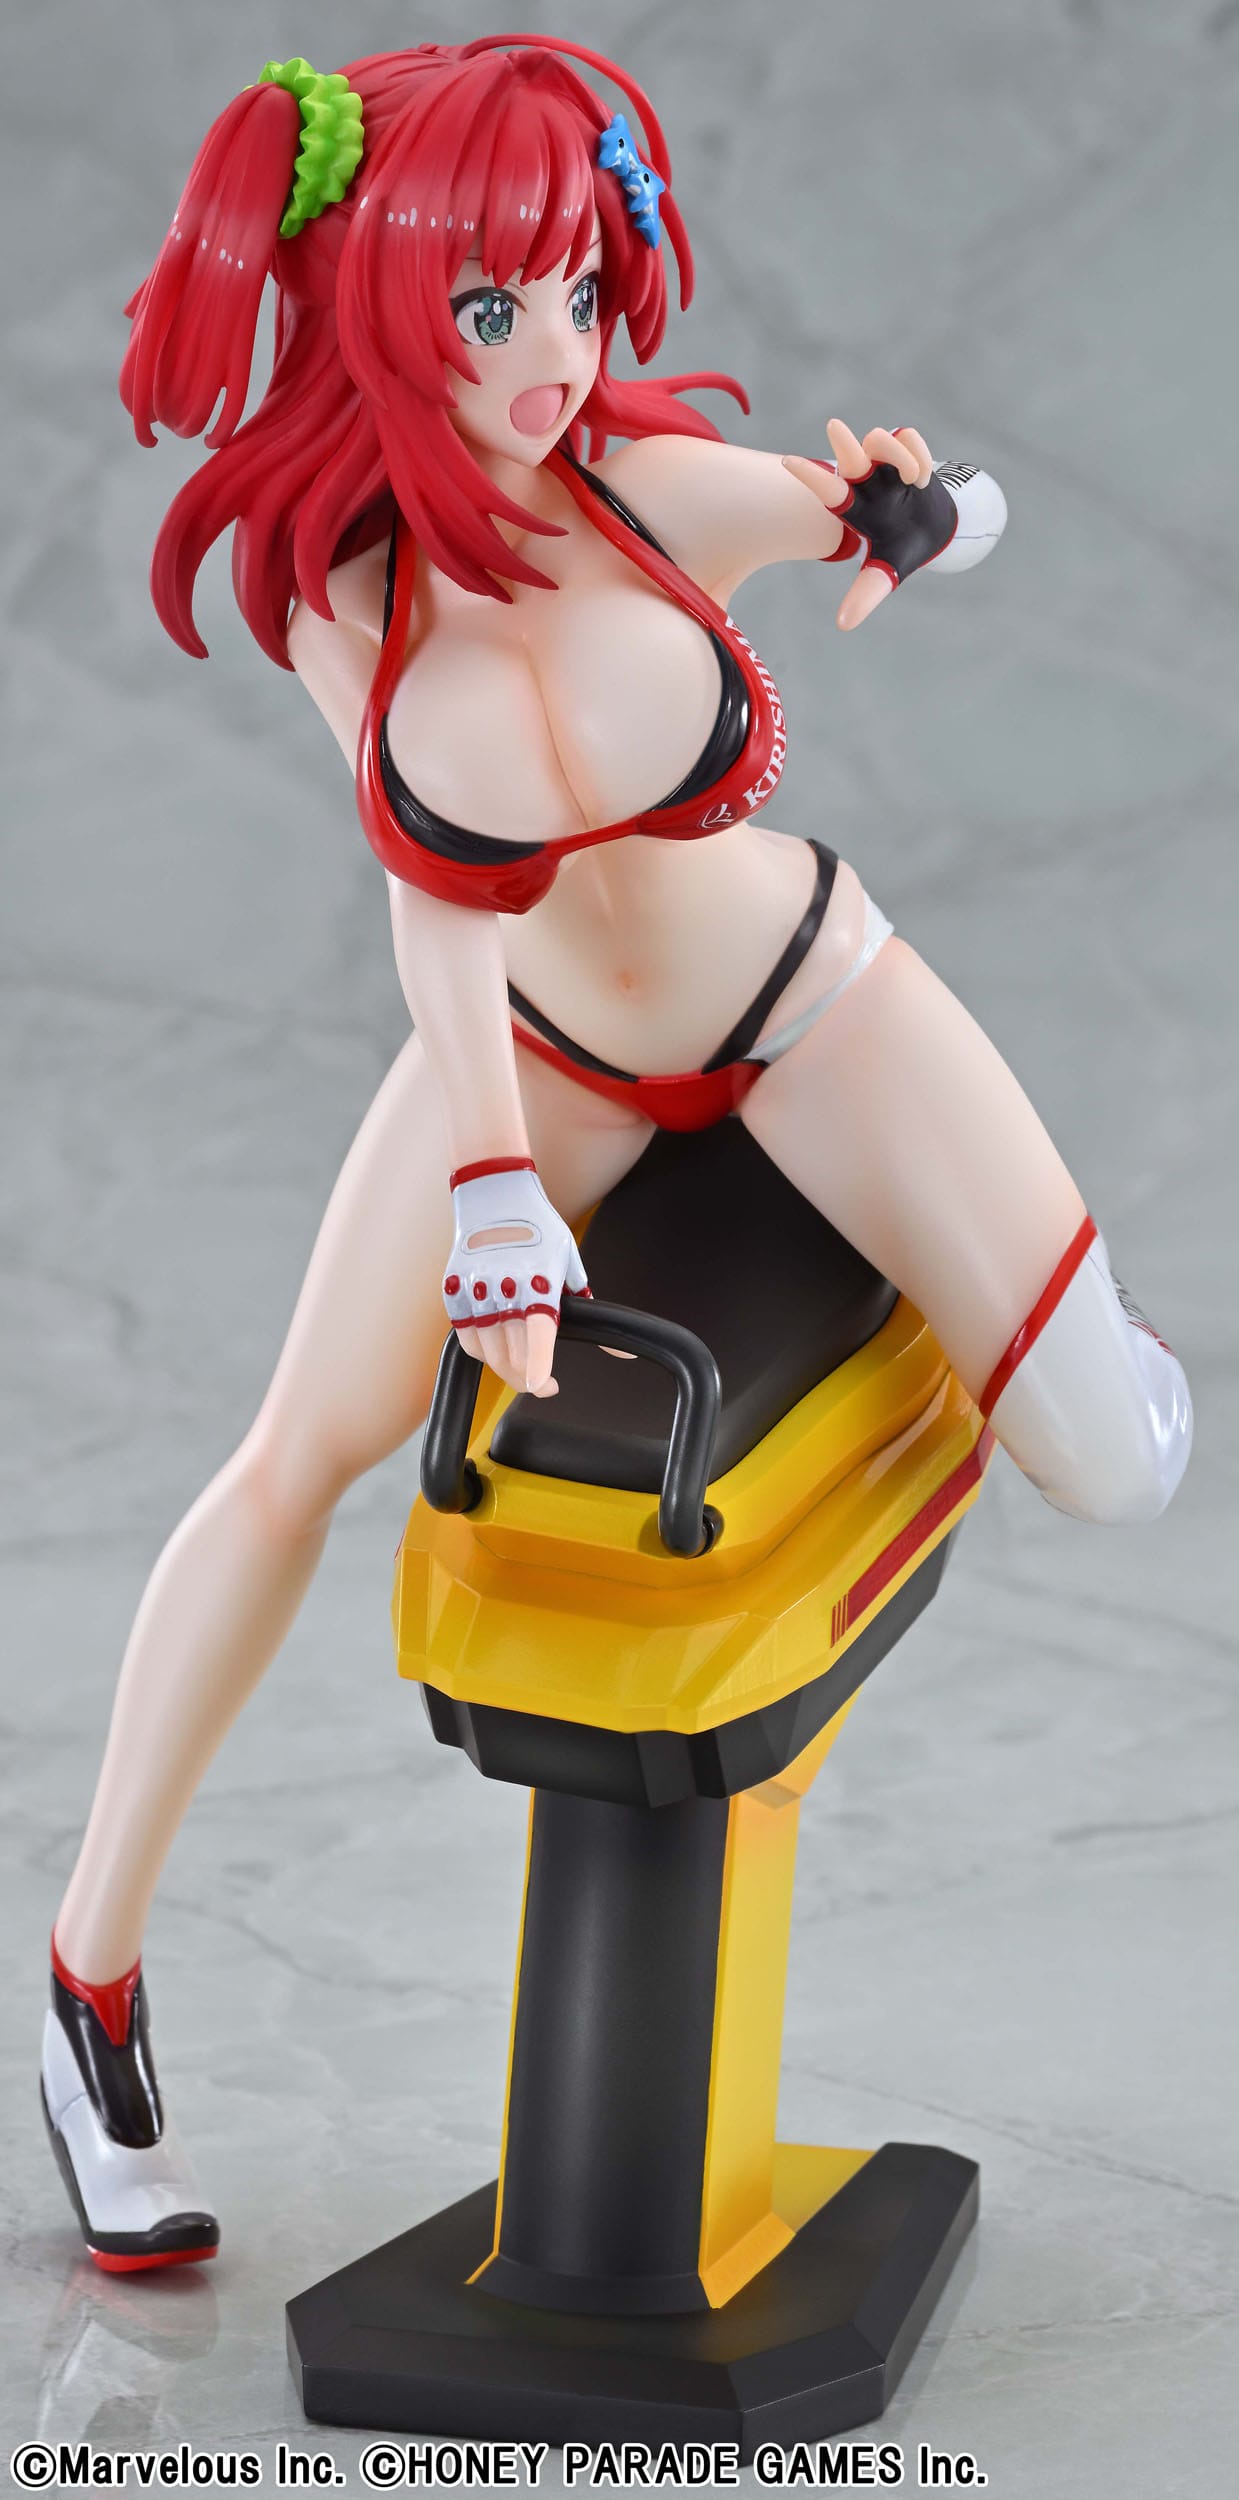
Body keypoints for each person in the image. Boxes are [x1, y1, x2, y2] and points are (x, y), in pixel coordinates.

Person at [41, 34, 1192, 2273]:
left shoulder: (649, 487)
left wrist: (914, 514)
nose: (553, 353)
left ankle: (1021, 1289)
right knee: (294, 1453)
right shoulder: (341, 593)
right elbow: (438, 907)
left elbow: (885, 511)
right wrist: (491, 1184)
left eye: (577, 289)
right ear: (387, 305)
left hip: (801, 1002)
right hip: (542, 1058)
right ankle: (89, 1982)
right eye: (492, 307)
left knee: (1120, 1464)